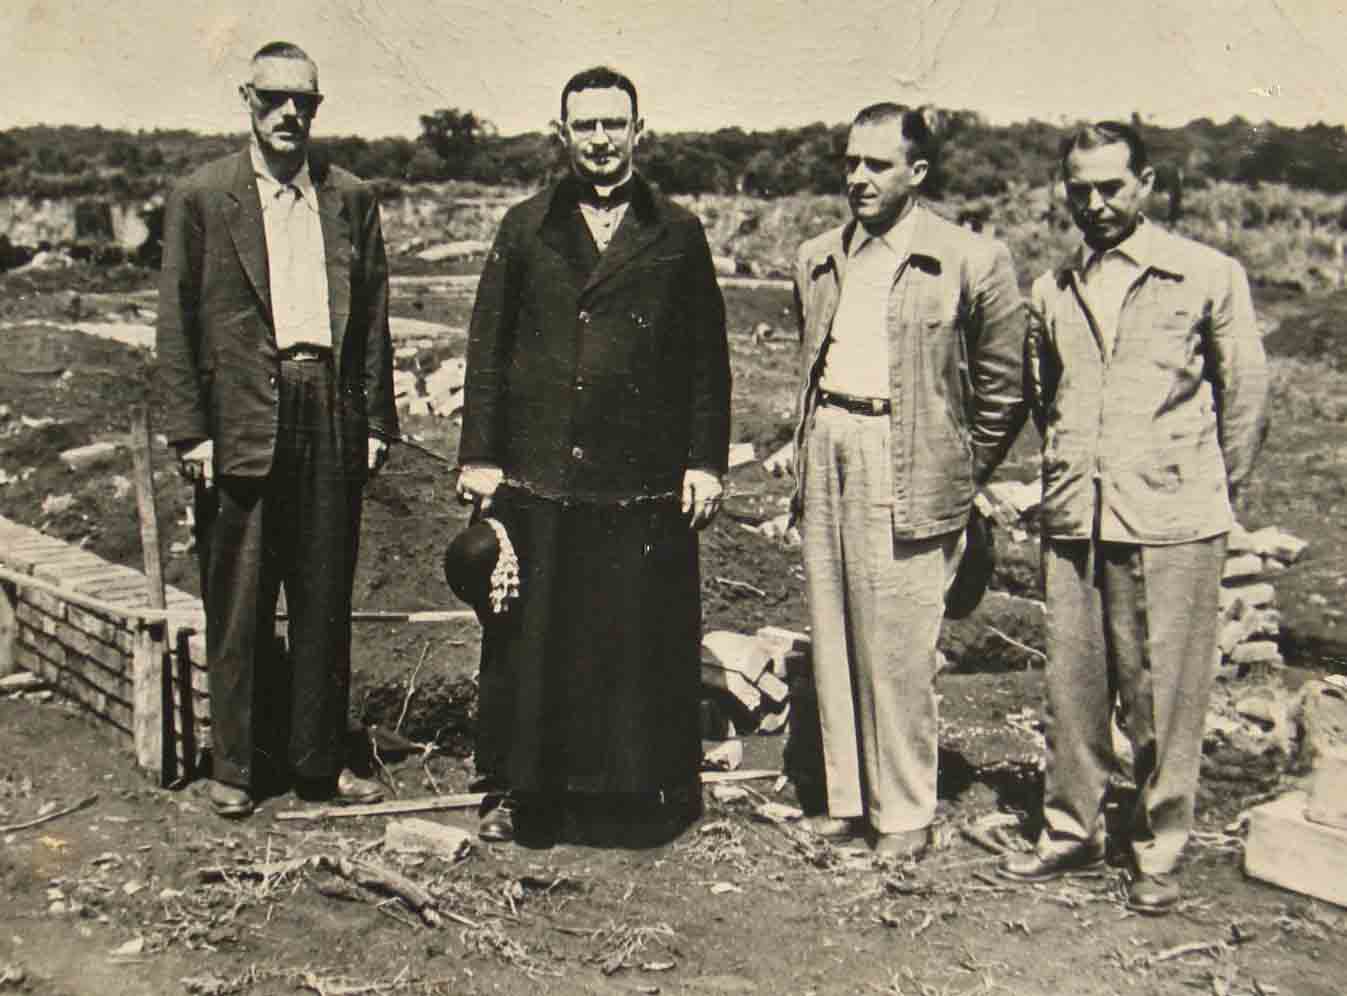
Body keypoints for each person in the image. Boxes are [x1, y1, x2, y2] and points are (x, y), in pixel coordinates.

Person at [997, 122, 1268, 914]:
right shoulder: (1052, 288)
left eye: (1111, 186)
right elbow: (1045, 397)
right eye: (1079, 188)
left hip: (1171, 517)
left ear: (1146, 185)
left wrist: (1209, 494)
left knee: (1162, 694)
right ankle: (1069, 830)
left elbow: (1243, 396)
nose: (1095, 202)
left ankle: (1159, 846)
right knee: (1072, 686)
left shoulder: (1205, 275)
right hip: (1078, 511)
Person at [456, 66, 731, 844]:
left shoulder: (676, 232)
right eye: (586, 126)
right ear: (563, 132)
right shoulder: (524, 226)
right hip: (543, 473)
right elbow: (487, 348)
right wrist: (480, 455)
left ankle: (637, 798)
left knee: (630, 639)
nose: (601, 140)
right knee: (536, 644)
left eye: (615, 125)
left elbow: (706, 358)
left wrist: (703, 461)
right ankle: (526, 794)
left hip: (637, 483)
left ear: (639, 132)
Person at [156, 41, 396, 818]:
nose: (291, 114)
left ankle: (319, 766)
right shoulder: (202, 197)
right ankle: (236, 767)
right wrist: (191, 432)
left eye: (306, 102)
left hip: (326, 401)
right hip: (240, 417)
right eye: (275, 99)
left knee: (323, 594)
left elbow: (373, 323)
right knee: (241, 596)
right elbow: (177, 321)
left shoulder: (350, 197)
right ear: (247, 100)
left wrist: (373, 421)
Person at [789, 104, 1024, 857]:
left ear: (916, 173)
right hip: (828, 441)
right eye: (850, 162)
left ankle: (906, 815)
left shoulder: (968, 259)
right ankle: (848, 801)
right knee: (833, 631)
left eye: (876, 164)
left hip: (909, 455)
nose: (857, 178)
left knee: (897, 645)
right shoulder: (819, 255)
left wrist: (958, 469)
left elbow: (1002, 390)